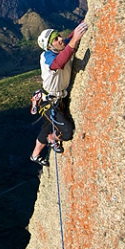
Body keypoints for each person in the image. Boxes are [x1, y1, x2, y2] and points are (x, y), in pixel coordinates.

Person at [30, 22, 89, 166]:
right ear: (50, 46)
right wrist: (74, 41)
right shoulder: (47, 57)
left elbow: (70, 37)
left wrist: (82, 24)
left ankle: (35, 155)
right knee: (67, 132)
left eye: (59, 36)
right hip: (50, 102)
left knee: (46, 126)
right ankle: (52, 138)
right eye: (55, 40)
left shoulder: (61, 48)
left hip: (57, 98)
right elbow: (58, 64)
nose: (60, 39)